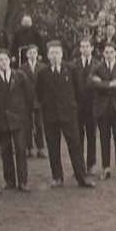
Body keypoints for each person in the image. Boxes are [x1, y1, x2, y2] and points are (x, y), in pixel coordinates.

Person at [36, 41, 95, 189]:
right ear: (48, 56)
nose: (55, 56)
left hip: (69, 114)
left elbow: (79, 91)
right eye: (52, 53)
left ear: (62, 54)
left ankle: (82, 177)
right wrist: (46, 109)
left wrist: (74, 109)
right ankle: (57, 177)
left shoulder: (71, 69)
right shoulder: (43, 73)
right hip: (51, 116)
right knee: (53, 147)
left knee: (75, 146)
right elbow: (39, 93)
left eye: (57, 52)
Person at [0, 48, 33, 192]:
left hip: (19, 119)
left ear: (10, 61)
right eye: (0, 60)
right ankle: (9, 181)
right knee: (6, 151)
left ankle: (23, 181)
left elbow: (29, 96)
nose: (3, 62)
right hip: (2, 120)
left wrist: (25, 115)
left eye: (5, 59)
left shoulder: (20, 76)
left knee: (21, 149)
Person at [91, 43, 116, 180]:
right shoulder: (97, 67)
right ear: (103, 54)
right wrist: (110, 84)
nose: (108, 54)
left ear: (115, 53)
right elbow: (93, 84)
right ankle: (106, 168)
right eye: (106, 52)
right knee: (104, 139)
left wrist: (103, 84)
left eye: (111, 52)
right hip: (103, 109)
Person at [72, 37, 99, 174]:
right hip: (77, 106)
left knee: (91, 135)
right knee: (78, 136)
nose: (84, 49)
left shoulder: (97, 64)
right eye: (82, 46)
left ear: (92, 48)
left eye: (87, 46)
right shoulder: (74, 64)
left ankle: (92, 164)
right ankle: (79, 165)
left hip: (92, 105)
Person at [19, 44, 46, 159]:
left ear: (37, 54)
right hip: (26, 99)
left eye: (34, 53)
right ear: (26, 55)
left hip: (39, 99)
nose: (32, 55)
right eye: (30, 53)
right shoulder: (22, 68)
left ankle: (40, 148)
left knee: (39, 124)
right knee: (27, 124)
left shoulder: (43, 67)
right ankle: (29, 147)